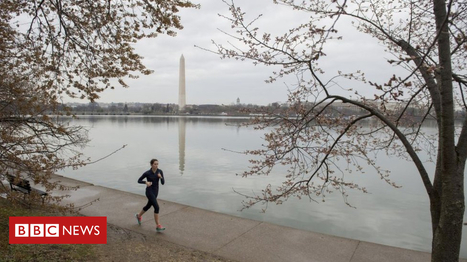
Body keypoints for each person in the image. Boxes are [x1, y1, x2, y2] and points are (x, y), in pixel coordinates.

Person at [135, 158, 165, 231]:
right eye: (155, 164)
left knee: (148, 206)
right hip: (149, 191)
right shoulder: (147, 173)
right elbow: (139, 180)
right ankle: (158, 225)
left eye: (157, 164)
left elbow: (163, 183)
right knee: (156, 207)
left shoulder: (160, 171)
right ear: (151, 165)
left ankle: (138, 216)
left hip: (155, 191)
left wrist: (161, 177)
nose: (156, 165)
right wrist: (146, 182)